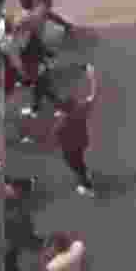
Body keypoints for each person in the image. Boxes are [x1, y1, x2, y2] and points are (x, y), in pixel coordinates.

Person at [51, 64, 97, 197]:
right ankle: (85, 173)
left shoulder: (60, 126)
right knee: (80, 161)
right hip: (82, 142)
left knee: (76, 166)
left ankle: (87, 187)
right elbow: (93, 95)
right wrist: (92, 77)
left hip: (70, 150)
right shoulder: (81, 110)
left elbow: (56, 140)